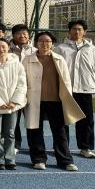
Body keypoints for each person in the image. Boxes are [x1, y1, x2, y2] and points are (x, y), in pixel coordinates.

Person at [22, 31, 84, 171]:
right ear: (36, 43)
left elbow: (66, 81)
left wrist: (67, 99)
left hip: (56, 101)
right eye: (41, 41)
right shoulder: (27, 60)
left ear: (52, 44)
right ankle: (38, 159)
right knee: (34, 131)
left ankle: (65, 161)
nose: (44, 44)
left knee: (60, 132)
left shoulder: (59, 59)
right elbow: (22, 81)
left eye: (48, 41)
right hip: (34, 100)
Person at [54, 20, 95, 159]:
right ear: (69, 31)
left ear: (84, 32)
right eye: (74, 29)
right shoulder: (61, 48)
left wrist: (87, 79)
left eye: (80, 29)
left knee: (86, 120)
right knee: (63, 121)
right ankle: (63, 148)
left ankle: (85, 148)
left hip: (85, 89)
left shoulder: (91, 49)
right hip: (66, 90)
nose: (77, 32)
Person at [0, 38, 27, 170]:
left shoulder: (17, 64)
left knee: (10, 133)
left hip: (13, 105)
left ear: (8, 47)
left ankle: (10, 159)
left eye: (3, 46)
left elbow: (22, 84)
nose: (1, 49)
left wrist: (14, 101)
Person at [9, 23, 36, 150]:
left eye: (24, 33)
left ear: (29, 35)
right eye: (18, 33)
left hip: (31, 91)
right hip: (13, 91)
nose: (22, 36)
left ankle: (34, 145)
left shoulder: (35, 51)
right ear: (13, 35)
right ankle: (15, 145)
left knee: (31, 119)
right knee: (14, 120)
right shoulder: (6, 50)